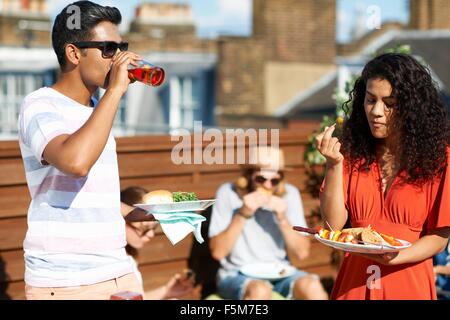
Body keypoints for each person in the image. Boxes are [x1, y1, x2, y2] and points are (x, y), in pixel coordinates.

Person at [18, 1, 153, 299]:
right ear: (74, 53)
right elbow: (75, 162)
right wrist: (116, 91)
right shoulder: (40, 105)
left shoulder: (96, 110)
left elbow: (89, 196)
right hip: (65, 280)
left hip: (118, 272)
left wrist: (149, 214)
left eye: (121, 48)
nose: (118, 59)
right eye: (108, 49)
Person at [316, 53, 450, 300]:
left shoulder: (439, 160)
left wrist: (396, 256)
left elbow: (439, 238)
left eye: (389, 103)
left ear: (411, 107)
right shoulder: (351, 155)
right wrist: (334, 164)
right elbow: (332, 226)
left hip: (408, 286)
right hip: (352, 287)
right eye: (370, 100)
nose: (376, 111)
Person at [208, 146, 328, 300]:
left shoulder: (289, 194)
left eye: (274, 180)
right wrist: (243, 213)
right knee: (260, 291)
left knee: (312, 287)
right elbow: (218, 252)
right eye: (261, 179)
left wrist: (283, 219)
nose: (268, 185)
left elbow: (302, 253)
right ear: (248, 176)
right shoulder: (228, 193)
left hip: (280, 272)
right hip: (235, 274)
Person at [120, 186, 195, 300]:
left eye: (154, 228)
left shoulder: (130, 258)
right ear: (122, 220)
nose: (151, 234)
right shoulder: (114, 261)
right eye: (145, 228)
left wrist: (166, 291)